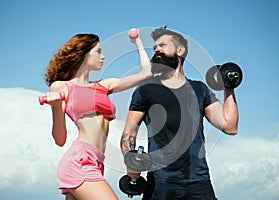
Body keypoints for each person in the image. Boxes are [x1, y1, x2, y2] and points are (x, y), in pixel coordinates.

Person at [120, 27, 239, 200]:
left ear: (180, 50)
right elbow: (129, 133)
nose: (157, 50)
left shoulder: (200, 89)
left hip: (199, 182)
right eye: (155, 48)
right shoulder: (147, 89)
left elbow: (230, 126)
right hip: (161, 183)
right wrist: (131, 163)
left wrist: (228, 86)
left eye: (162, 45)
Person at [43, 29, 152, 200]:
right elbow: (60, 139)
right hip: (79, 161)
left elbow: (146, 73)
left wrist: (137, 42)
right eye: (98, 51)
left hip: (97, 161)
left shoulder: (104, 85)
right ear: (85, 54)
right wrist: (56, 107)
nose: (103, 57)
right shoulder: (61, 87)